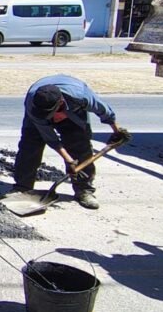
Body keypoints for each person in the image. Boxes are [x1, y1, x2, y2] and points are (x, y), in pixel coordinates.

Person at [13, 74, 128, 210]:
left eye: (52, 114)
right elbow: (50, 138)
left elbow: (105, 112)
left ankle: (84, 190)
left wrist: (117, 131)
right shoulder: (34, 104)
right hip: (37, 114)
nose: (52, 119)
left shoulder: (80, 96)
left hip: (73, 110)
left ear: (60, 103)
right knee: (30, 146)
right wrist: (69, 160)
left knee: (80, 145)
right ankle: (22, 187)